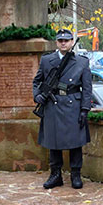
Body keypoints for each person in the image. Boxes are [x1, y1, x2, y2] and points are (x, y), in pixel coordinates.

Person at [32, 28, 92, 189]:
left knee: (75, 143)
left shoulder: (81, 62)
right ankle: (55, 174)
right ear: (56, 42)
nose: (63, 43)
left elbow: (87, 88)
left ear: (72, 42)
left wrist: (85, 109)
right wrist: (37, 95)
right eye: (60, 40)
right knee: (53, 142)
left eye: (66, 40)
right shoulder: (46, 60)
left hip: (73, 104)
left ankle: (75, 174)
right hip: (52, 104)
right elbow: (37, 81)